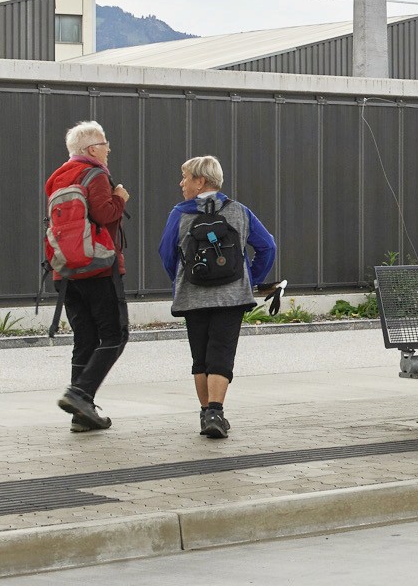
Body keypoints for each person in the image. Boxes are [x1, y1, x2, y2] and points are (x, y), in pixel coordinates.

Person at [157, 155, 278, 441]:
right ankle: (216, 411)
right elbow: (268, 247)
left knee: (201, 357)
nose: (181, 183)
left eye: (185, 177)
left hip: (192, 295)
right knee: (221, 353)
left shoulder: (179, 214)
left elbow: (166, 253)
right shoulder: (239, 211)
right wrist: (252, 279)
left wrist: (181, 280)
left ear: (200, 181)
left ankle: (205, 415)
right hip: (232, 295)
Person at [42, 119, 131, 432]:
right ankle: (79, 395)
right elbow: (105, 214)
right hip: (99, 267)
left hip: (65, 271)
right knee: (115, 335)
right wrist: (119, 197)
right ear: (92, 149)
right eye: (105, 144)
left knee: (85, 339)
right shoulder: (95, 174)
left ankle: (83, 414)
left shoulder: (57, 178)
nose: (108, 150)